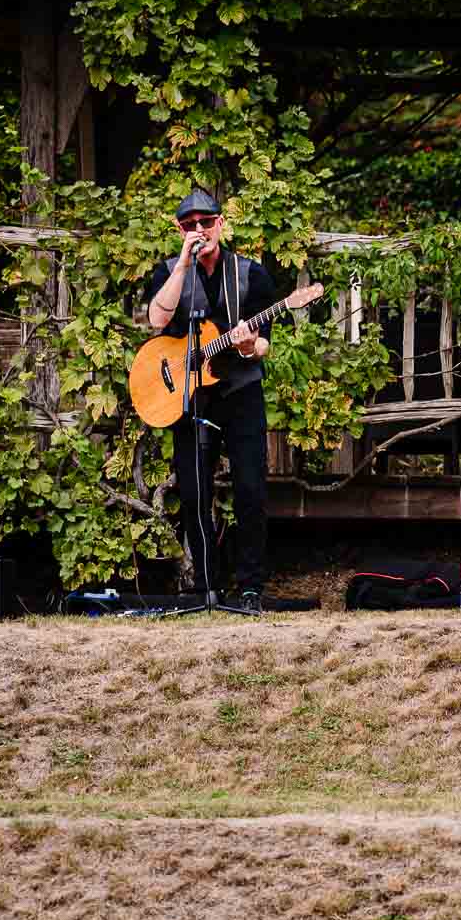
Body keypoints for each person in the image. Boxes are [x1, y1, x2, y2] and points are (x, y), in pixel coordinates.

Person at [142, 186, 277, 609]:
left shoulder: (250, 274)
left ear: (221, 223)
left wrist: (246, 344)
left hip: (239, 391)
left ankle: (251, 586)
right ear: (179, 230)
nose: (199, 230)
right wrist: (184, 262)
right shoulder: (169, 271)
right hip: (190, 397)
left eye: (206, 222)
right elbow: (156, 320)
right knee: (194, 490)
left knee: (250, 487)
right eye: (189, 225)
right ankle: (206, 586)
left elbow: (264, 347)